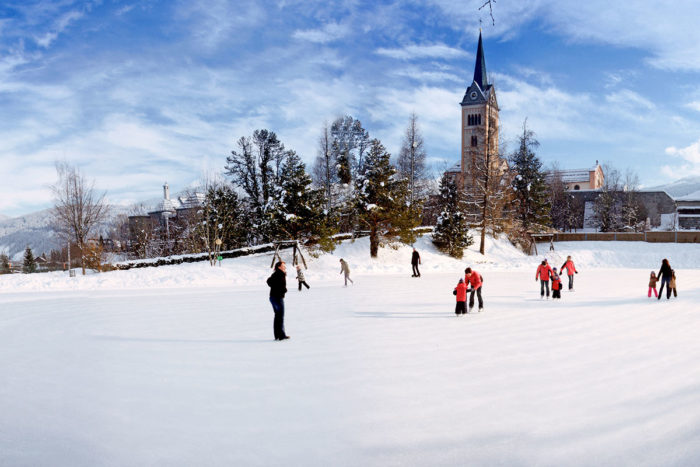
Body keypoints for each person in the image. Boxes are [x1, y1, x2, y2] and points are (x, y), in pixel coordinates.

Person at [267, 261, 289, 341]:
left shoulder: (276, 273)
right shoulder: (280, 274)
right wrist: (283, 290)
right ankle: (281, 335)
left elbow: (269, 281)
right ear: (279, 267)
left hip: (273, 297)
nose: (285, 267)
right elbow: (270, 282)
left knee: (277, 316)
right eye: (283, 265)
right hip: (277, 297)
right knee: (280, 316)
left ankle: (278, 335)